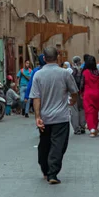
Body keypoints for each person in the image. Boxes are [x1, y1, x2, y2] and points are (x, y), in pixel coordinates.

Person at [30, 47, 79, 185]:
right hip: (61, 117)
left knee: (44, 143)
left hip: (45, 117)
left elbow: (36, 97)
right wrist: (72, 101)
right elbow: (74, 91)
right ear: (57, 57)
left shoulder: (38, 75)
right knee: (58, 145)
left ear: (44, 58)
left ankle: (45, 169)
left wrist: (37, 117)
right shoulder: (64, 74)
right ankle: (53, 172)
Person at [81, 56, 99, 137]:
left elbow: (82, 84)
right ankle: (95, 126)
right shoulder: (98, 72)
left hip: (87, 94)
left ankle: (92, 128)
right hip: (97, 94)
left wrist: (80, 93)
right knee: (95, 111)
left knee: (89, 112)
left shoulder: (85, 72)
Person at [70, 56, 86, 135]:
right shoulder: (82, 71)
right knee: (82, 109)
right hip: (81, 92)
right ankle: (82, 126)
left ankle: (77, 128)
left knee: (74, 110)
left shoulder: (72, 72)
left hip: (73, 93)